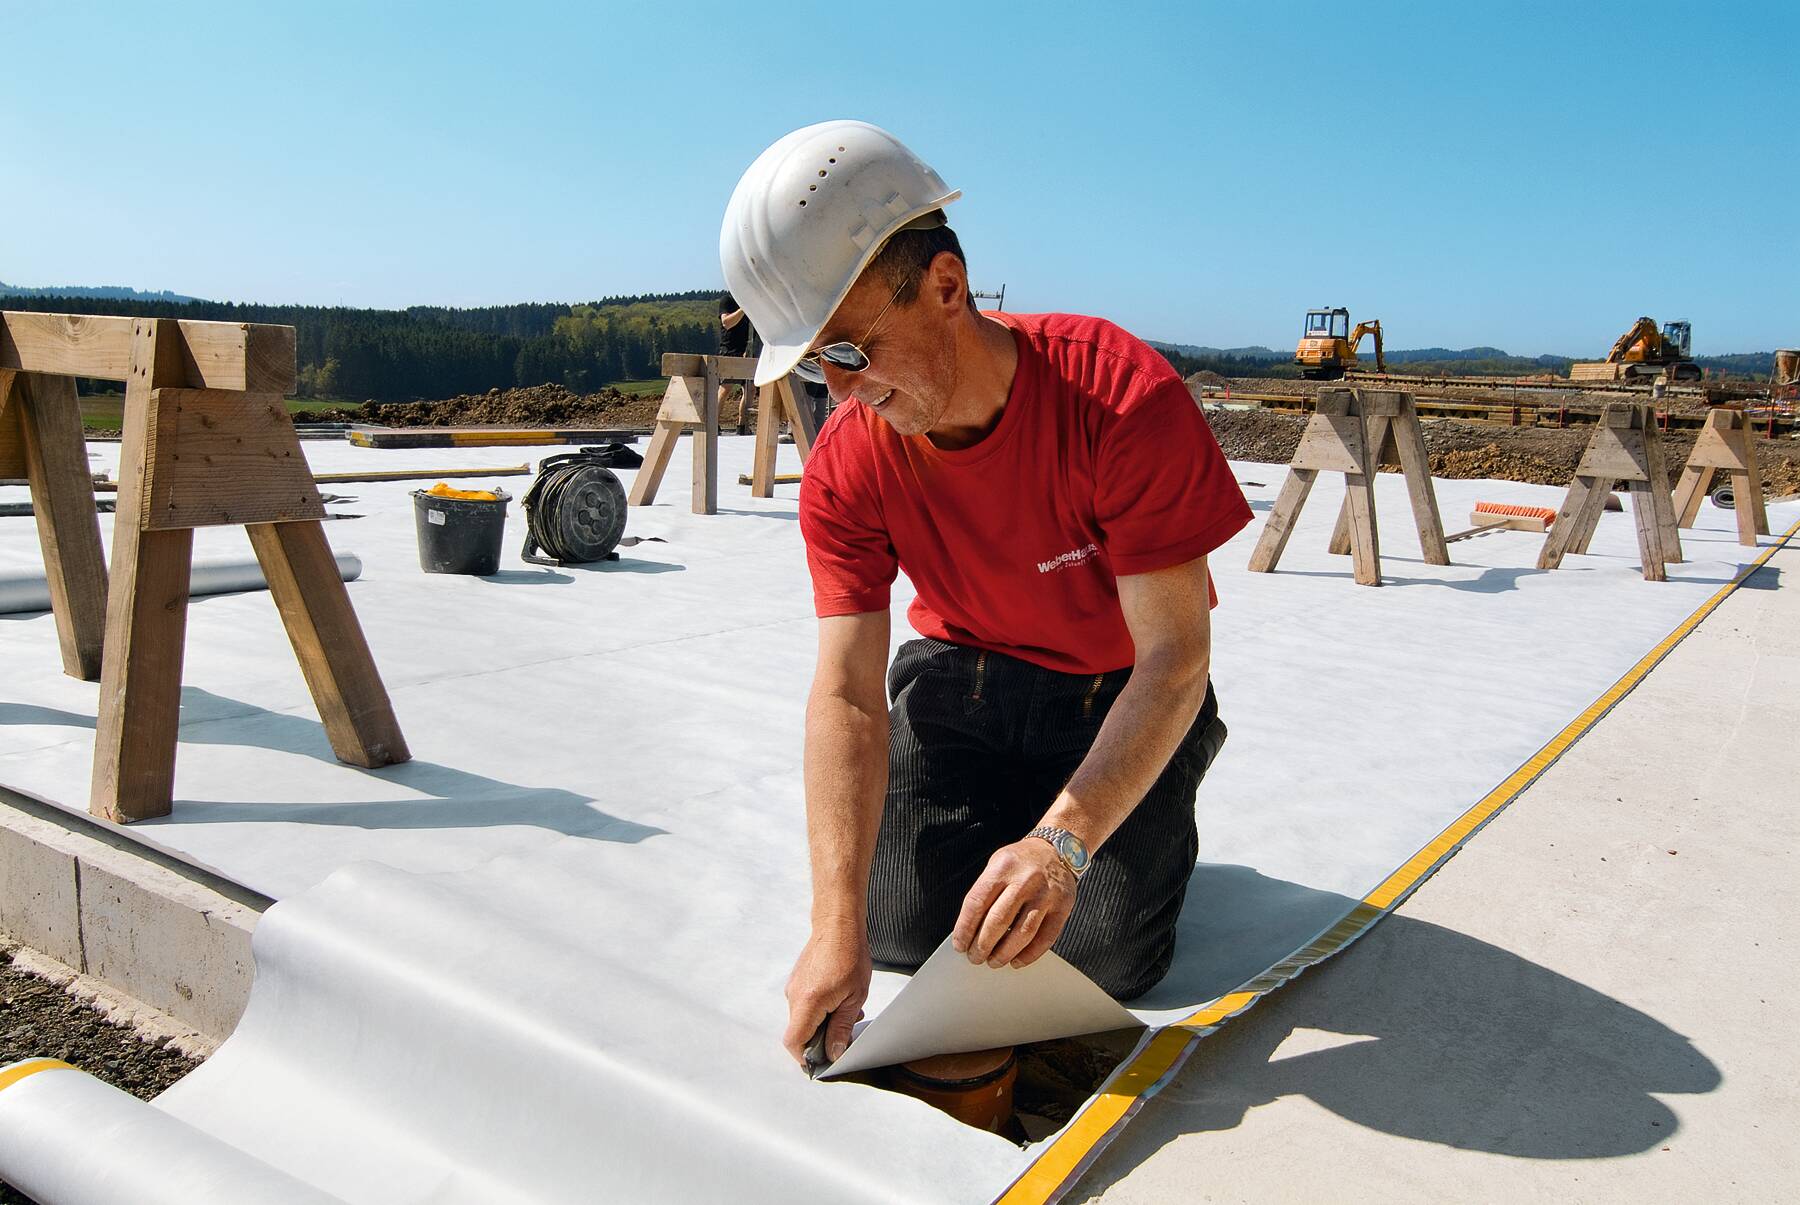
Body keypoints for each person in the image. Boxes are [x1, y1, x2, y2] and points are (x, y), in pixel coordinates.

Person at [719, 121, 1253, 1068]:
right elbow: (845, 689)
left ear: (946, 288)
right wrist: (832, 922)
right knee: (889, 930)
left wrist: (1064, 843)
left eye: (848, 352)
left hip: (1116, 690)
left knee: (1107, 957)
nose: (842, 395)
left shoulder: (1120, 399)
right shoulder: (848, 463)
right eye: (814, 368)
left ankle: (1121, 822)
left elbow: (1175, 659)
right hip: (962, 682)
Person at [718, 291, 755, 433]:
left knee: (749, 389)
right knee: (726, 388)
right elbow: (726, 322)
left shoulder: (752, 304)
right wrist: (743, 309)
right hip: (730, 350)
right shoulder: (727, 300)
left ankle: (742, 425)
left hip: (746, 351)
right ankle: (713, 424)